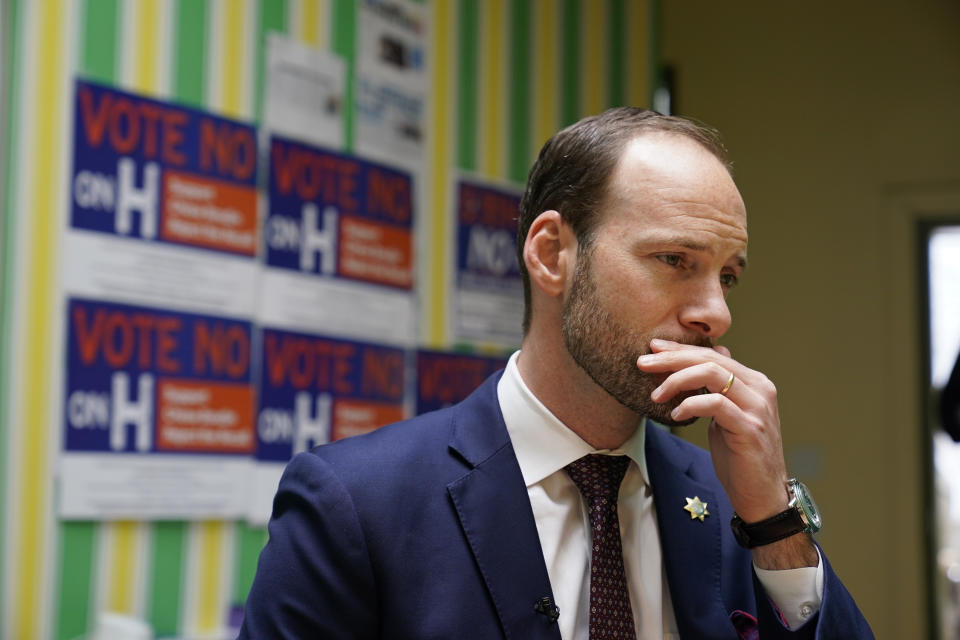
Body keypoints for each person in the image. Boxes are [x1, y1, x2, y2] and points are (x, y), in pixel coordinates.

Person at [239, 108, 873, 639]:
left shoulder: (736, 501)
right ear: (551, 254)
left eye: (727, 276)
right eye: (676, 259)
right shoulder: (355, 504)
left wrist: (775, 527)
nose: (717, 313)